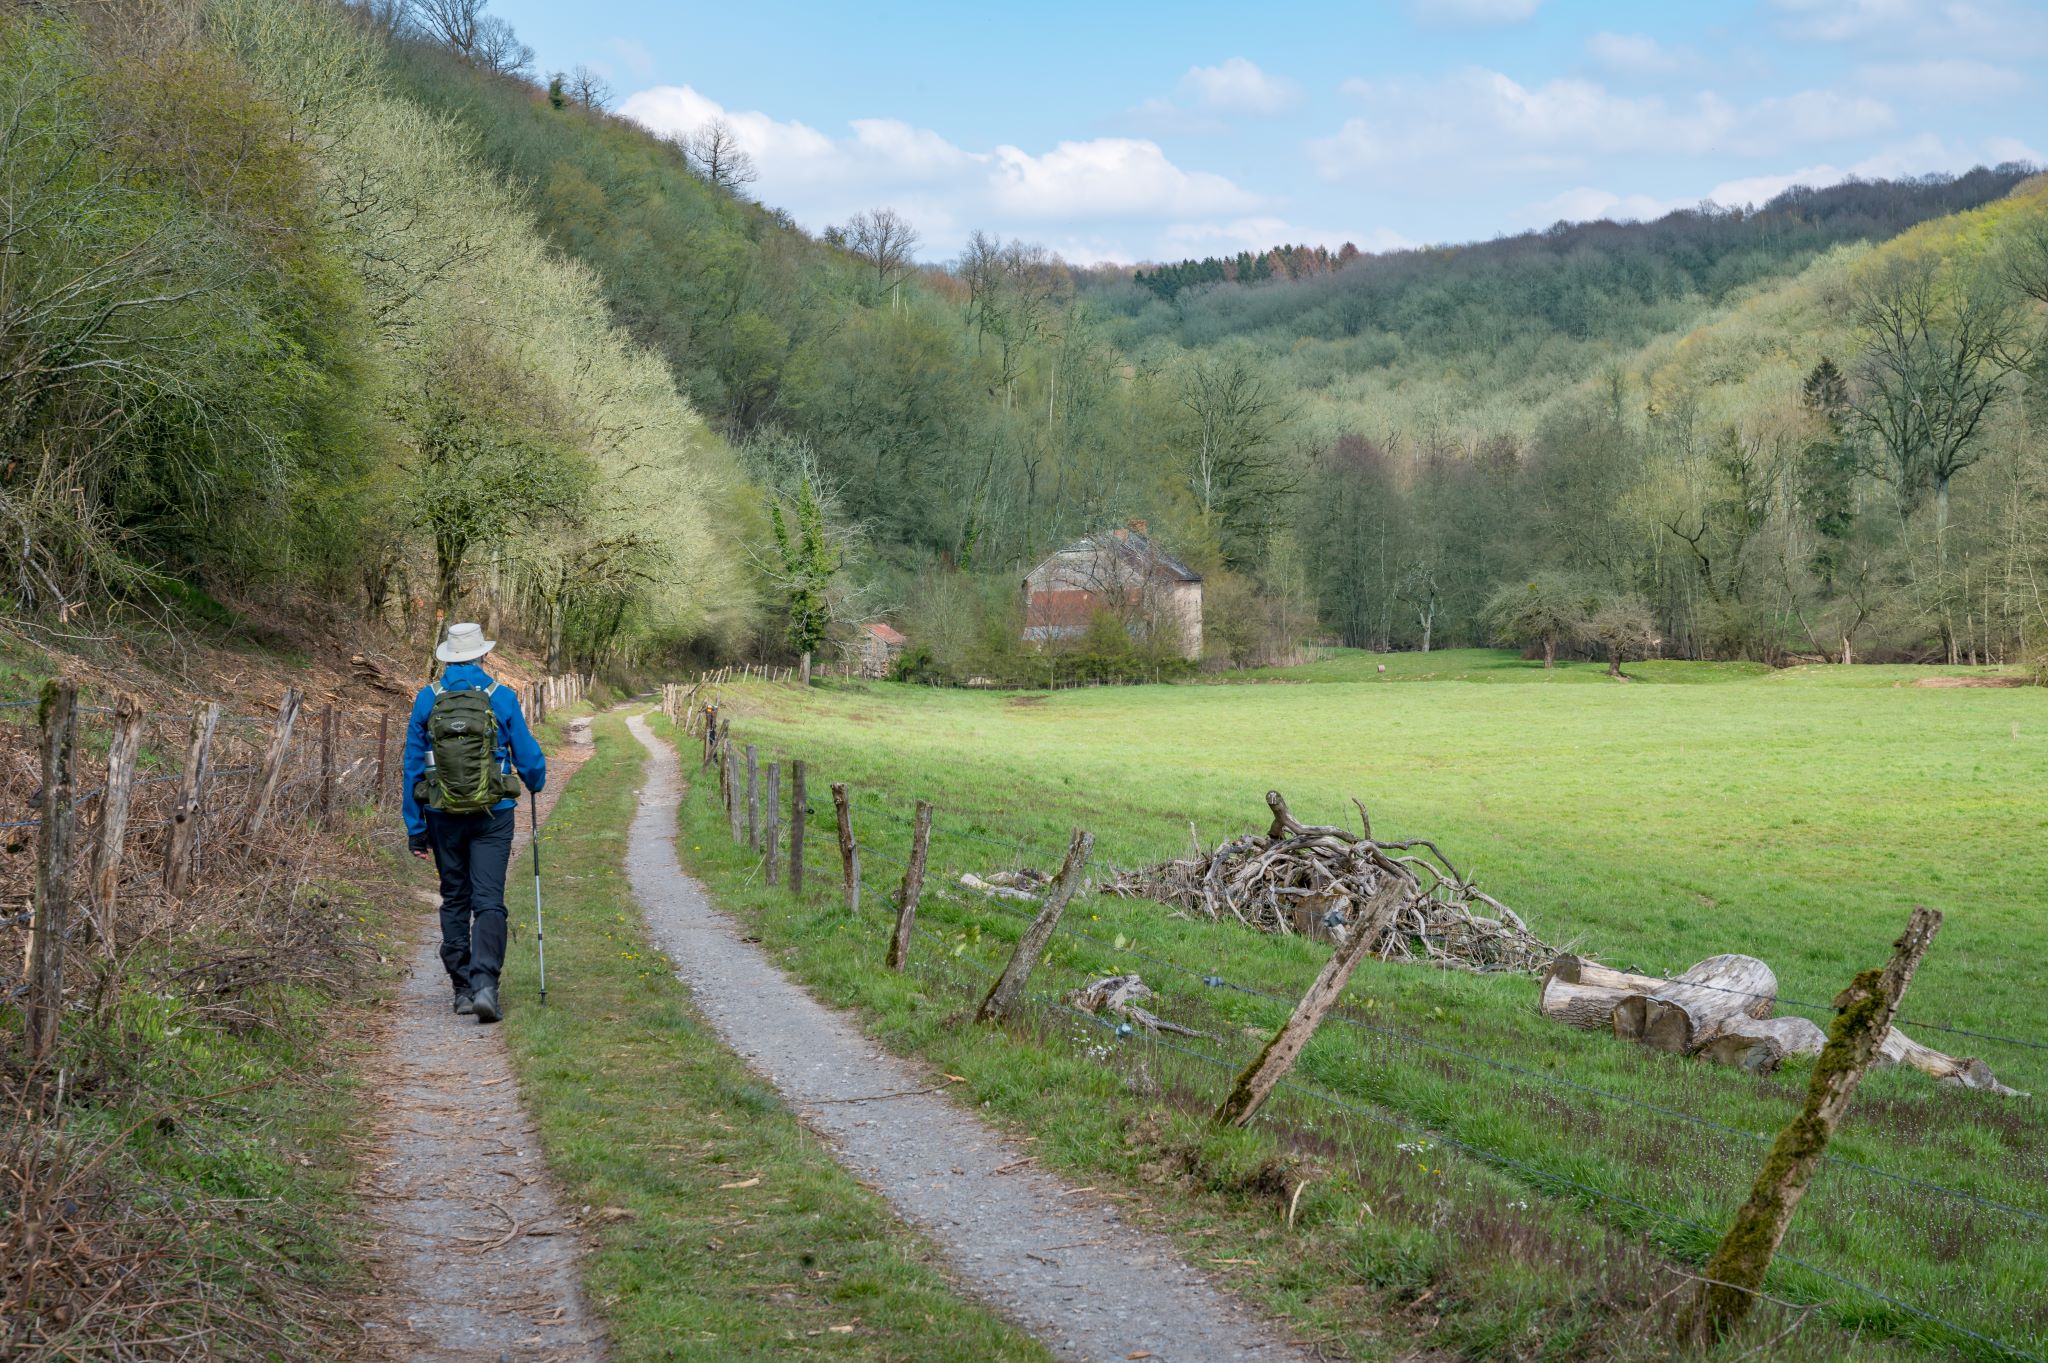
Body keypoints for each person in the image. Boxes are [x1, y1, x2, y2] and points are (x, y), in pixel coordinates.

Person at [403, 622, 546, 1024]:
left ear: (448, 656)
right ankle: (486, 985)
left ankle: (462, 989)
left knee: (455, 897)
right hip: (493, 815)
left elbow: (412, 765)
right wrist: (534, 781)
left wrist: (415, 827)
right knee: (488, 899)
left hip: (440, 815)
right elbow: (530, 759)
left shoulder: (426, 699)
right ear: (483, 655)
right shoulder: (501, 697)